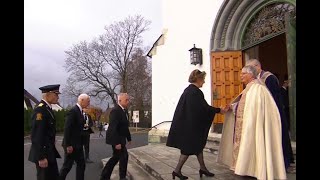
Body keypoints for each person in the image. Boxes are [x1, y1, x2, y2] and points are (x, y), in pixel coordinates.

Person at [217, 65, 286, 180]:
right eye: (241, 73)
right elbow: (243, 105)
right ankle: (249, 170)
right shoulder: (249, 88)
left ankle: (254, 171)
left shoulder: (258, 89)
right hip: (248, 127)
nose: (241, 76)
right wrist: (232, 107)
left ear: (251, 75)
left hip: (253, 127)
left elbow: (254, 110)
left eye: (243, 74)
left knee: (254, 148)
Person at [166, 69, 228, 180]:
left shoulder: (189, 90)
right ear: (198, 79)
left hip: (187, 125)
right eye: (203, 79)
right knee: (188, 149)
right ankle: (177, 170)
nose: (204, 82)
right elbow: (203, 109)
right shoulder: (195, 92)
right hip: (190, 127)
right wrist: (219, 110)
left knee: (198, 147)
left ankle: (202, 168)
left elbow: (198, 109)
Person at [246, 59, 294, 169]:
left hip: (274, 112)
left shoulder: (269, 78)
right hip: (263, 113)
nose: (249, 71)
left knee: (278, 136)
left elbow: (273, 98)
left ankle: (283, 161)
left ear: (257, 66)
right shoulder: (256, 79)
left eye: (250, 68)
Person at [28, 84, 62, 180]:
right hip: (44, 154)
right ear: (48, 94)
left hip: (49, 152)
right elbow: (37, 135)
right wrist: (41, 157)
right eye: (56, 94)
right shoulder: (40, 110)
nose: (58, 97)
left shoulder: (47, 109)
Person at [59, 94, 90, 180]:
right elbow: (67, 128)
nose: (89, 103)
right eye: (88, 101)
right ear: (82, 100)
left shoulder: (79, 111)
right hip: (72, 146)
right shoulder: (73, 111)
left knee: (81, 164)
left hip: (77, 145)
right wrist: (68, 145)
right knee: (67, 166)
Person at [100, 93, 132, 180]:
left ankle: (108, 176)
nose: (128, 102)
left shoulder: (124, 111)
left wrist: (129, 138)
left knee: (119, 157)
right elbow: (113, 128)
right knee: (121, 157)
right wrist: (116, 143)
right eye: (126, 100)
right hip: (117, 140)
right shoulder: (115, 111)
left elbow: (125, 127)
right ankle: (117, 177)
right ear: (120, 100)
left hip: (121, 139)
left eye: (128, 100)